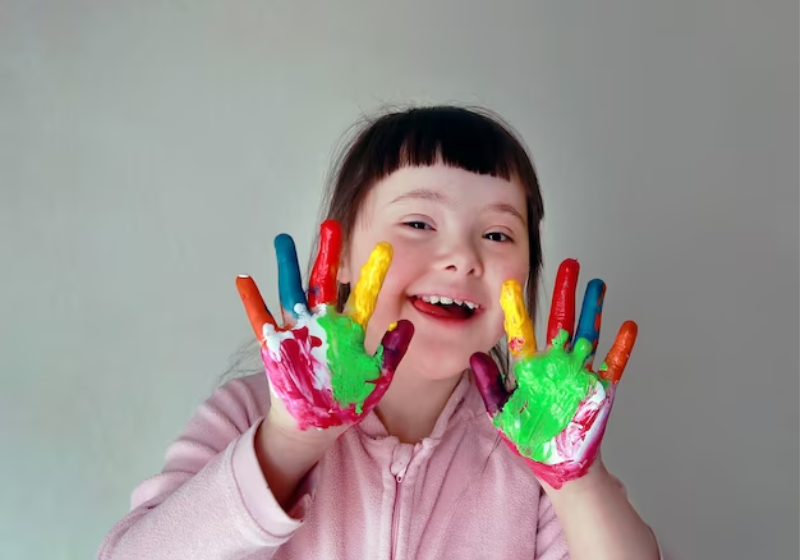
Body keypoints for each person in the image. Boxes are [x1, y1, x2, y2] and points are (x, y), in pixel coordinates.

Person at [96, 106, 662, 559]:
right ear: (339, 258)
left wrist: (576, 483)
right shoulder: (247, 414)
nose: (462, 257)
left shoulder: (531, 456)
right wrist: (288, 443)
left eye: (496, 234)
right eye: (419, 223)